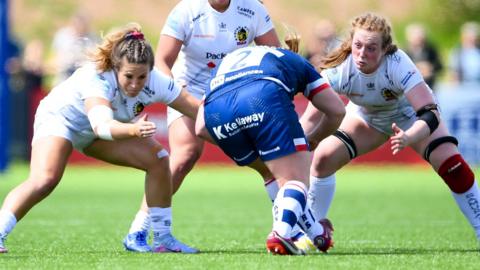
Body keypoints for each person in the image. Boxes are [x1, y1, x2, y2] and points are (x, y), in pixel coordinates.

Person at [0, 23, 200, 254]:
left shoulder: (157, 81)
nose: (135, 84)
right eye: (128, 76)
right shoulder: (97, 77)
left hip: (99, 132)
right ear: (115, 68)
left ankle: (159, 238)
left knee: (159, 159)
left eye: (142, 77)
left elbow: (198, 110)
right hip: (62, 120)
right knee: (45, 179)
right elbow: (102, 127)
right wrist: (134, 130)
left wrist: (234, 124)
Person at [299, 13, 480, 247]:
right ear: (351, 43)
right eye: (358, 46)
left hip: (409, 118)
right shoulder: (339, 69)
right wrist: (298, 144)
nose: (363, 54)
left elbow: (430, 113)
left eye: (372, 48)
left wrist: (410, 136)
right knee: (323, 158)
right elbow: (311, 119)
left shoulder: (398, 64)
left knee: (452, 165)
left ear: (385, 49)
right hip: (368, 117)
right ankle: (313, 231)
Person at [123, 0, 282, 252]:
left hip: (232, 94)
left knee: (269, 160)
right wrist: (176, 94)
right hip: (189, 92)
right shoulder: (186, 10)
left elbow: (276, 58)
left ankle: (287, 228)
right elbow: (162, 61)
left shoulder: (253, 9)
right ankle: (139, 230)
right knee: (185, 154)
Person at [195, 45, 346, 255]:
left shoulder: (229, 59)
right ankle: (281, 233)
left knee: (272, 174)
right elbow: (337, 111)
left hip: (217, 114)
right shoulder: (296, 60)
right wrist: (314, 139)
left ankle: (314, 233)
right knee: (296, 180)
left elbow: (200, 127)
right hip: (261, 97)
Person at [50, 11, 100, 85]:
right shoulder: (63, 36)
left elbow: (95, 56)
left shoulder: (92, 38)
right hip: (64, 77)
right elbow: (56, 57)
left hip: (84, 78)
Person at [404, 23, 443, 90]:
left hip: (429, 85)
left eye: (420, 36)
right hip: (410, 87)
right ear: (409, 37)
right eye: (415, 36)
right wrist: (416, 68)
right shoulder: (404, 52)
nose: (419, 39)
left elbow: (440, 66)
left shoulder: (431, 49)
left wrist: (430, 67)